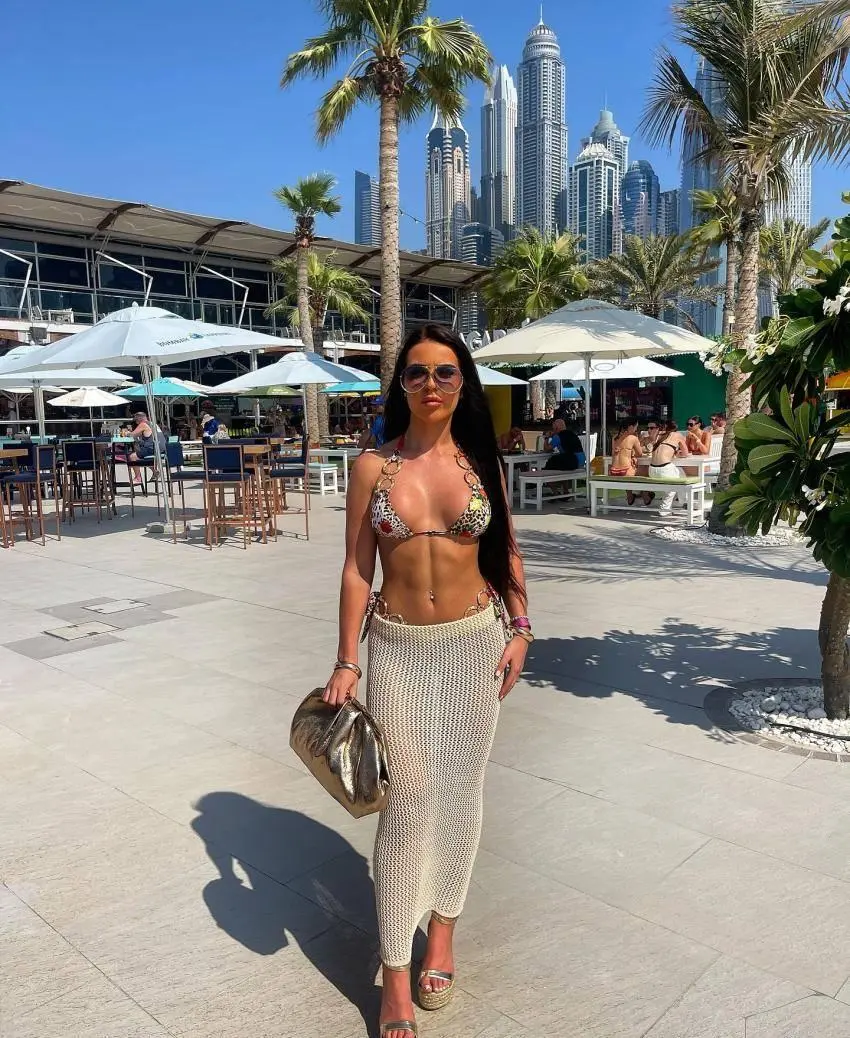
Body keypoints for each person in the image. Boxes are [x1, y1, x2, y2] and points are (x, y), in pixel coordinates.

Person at [324, 324, 530, 1038]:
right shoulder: (372, 467)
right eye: (417, 373)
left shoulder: (481, 463)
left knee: (461, 792)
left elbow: (507, 549)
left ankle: (442, 929)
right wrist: (346, 659)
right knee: (406, 803)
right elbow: (358, 569)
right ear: (401, 384)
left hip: (475, 644)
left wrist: (521, 628)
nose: (431, 385)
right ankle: (395, 971)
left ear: (462, 383)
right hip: (398, 649)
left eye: (445, 372)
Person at [649, 420, 689, 516]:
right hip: (664, 469)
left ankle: (683, 501)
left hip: (652, 470)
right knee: (678, 479)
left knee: (679, 473)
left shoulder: (660, 436)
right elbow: (685, 453)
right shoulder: (677, 435)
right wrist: (677, 453)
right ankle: (669, 507)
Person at [610, 418, 652, 505]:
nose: (636, 429)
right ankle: (645, 495)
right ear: (631, 427)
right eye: (636, 427)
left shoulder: (615, 437)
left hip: (613, 472)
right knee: (646, 470)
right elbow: (640, 454)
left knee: (630, 468)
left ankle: (629, 495)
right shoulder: (633, 438)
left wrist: (631, 455)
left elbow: (618, 452)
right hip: (625, 472)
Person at [128, 412, 165, 485]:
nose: (135, 421)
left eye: (135, 419)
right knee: (141, 454)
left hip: (153, 448)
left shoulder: (143, 424)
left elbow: (131, 435)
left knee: (132, 456)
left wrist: (126, 432)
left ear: (139, 418)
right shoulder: (152, 424)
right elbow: (139, 434)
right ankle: (155, 471)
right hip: (162, 448)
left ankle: (138, 478)